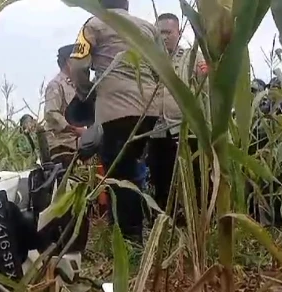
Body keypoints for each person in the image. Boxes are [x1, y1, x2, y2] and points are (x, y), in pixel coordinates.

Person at [68, 0, 164, 243]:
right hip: (149, 109)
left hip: (114, 109)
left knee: (119, 173)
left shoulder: (94, 23)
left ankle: (129, 239)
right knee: (134, 169)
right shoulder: (148, 28)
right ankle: (131, 233)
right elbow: (162, 66)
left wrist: (84, 93)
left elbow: (78, 64)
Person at [147, 12, 208, 214]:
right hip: (157, 132)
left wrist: (206, 73)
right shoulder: (149, 62)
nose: (164, 37)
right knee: (160, 181)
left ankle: (195, 221)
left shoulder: (192, 57)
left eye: (168, 32)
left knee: (192, 180)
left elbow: (206, 89)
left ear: (179, 33)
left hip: (185, 131)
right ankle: (164, 221)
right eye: (159, 32)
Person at [44, 44, 85, 169]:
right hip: (62, 148)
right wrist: (75, 129)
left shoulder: (75, 85)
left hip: (78, 146)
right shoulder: (56, 85)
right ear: (69, 62)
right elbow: (51, 114)